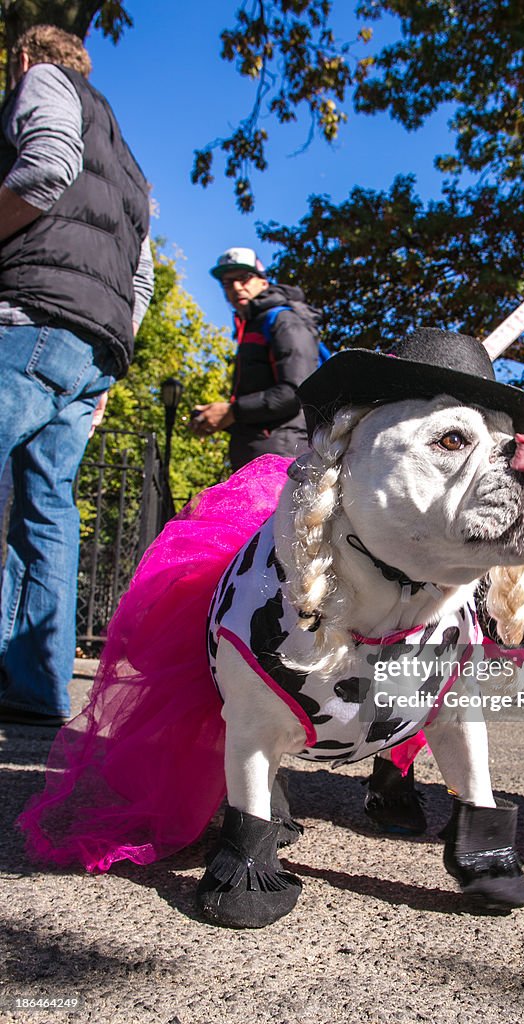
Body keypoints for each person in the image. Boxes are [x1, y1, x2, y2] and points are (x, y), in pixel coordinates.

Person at [0, 25, 154, 727]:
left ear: (26, 56)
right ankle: (36, 686)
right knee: (48, 509)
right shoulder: (128, 159)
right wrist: (110, 360)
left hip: (28, 317)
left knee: (41, 506)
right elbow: (141, 279)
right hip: (92, 346)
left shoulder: (43, 85)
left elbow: (44, 168)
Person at [190, 247, 320, 469]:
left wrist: (233, 412)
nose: (236, 287)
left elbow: (297, 392)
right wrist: (221, 418)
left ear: (263, 282)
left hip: (283, 459)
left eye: (244, 278)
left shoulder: (283, 320)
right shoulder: (251, 326)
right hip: (259, 457)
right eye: (227, 283)